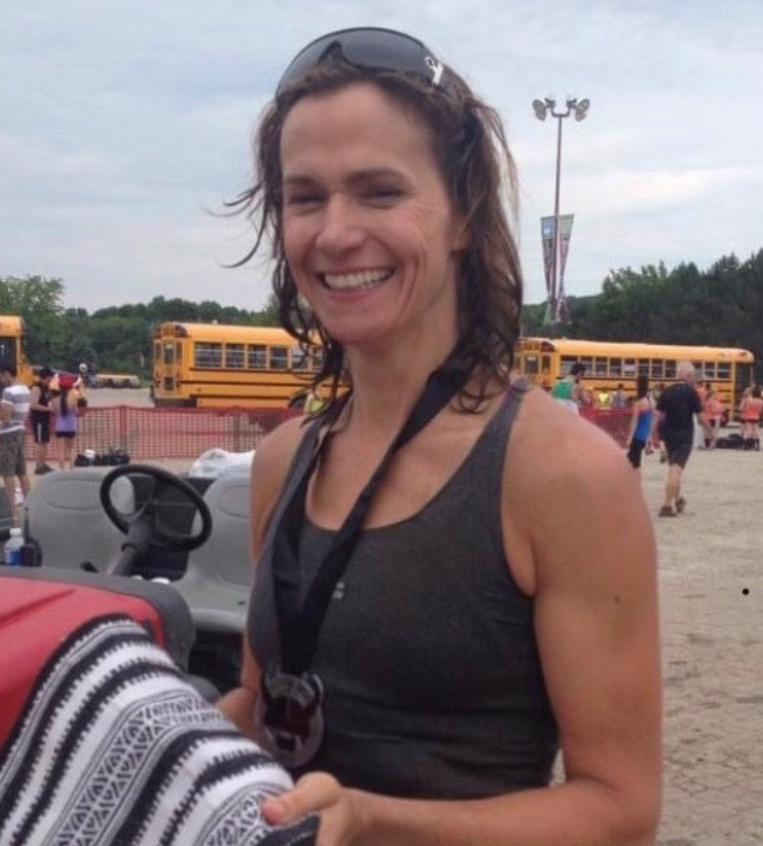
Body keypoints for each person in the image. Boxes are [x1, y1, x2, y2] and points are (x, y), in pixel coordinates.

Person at [218, 27, 661, 846]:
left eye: (379, 192)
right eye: (305, 198)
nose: (335, 233)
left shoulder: (559, 475)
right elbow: (261, 702)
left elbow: (618, 808)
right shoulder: (284, 460)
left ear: (462, 214)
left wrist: (374, 821)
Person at [652, 361, 713, 516]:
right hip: (684, 434)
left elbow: (656, 415)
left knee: (674, 467)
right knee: (676, 468)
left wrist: (651, 434)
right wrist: (710, 432)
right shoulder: (691, 393)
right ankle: (667, 505)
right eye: (693, 376)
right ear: (689, 376)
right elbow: (701, 416)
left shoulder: (666, 391)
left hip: (668, 434)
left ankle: (678, 499)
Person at [0, 361, 31, 521]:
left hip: (8, 434)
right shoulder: (25, 389)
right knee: (22, 472)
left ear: (6, 374)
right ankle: (29, 507)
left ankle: (12, 511)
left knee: (8, 473)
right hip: (20, 430)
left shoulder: (8, 392)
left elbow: (5, 417)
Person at [625, 374, 654, 471]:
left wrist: (630, 438)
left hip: (637, 437)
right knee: (630, 461)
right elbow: (652, 419)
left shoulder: (638, 403)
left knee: (634, 465)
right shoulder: (651, 400)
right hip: (644, 437)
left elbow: (634, 422)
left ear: (638, 384)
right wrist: (650, 436)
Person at [29, 365, 55, 474]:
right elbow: (33, 405)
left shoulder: (46, 388)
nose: (50, 381)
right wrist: (48, 409)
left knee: (44, 442)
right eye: (49, 379)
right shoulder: (36, 388)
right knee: (40, 442)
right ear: (43, 377)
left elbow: (48, 401)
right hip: (38, 419)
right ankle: (38, 466)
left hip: (45, 419)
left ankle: (43, 464)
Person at [50, 373, 79, 470]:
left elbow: (54, 412)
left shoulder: (54, 400)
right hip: (70, 427)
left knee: (61, 450)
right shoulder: (73, 399)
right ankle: (72, 468)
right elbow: (76, 412)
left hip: (59, 427)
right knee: (71, 448)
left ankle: (61, 469)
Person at [739, 383, 762, 450]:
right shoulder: (761, 401)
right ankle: (757, 445)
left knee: (749, 431)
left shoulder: (750, 400)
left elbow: (746, 408)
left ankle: (747, 445)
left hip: (749, 417)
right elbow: (760, 410)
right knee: (756, 431)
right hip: (756, 417)